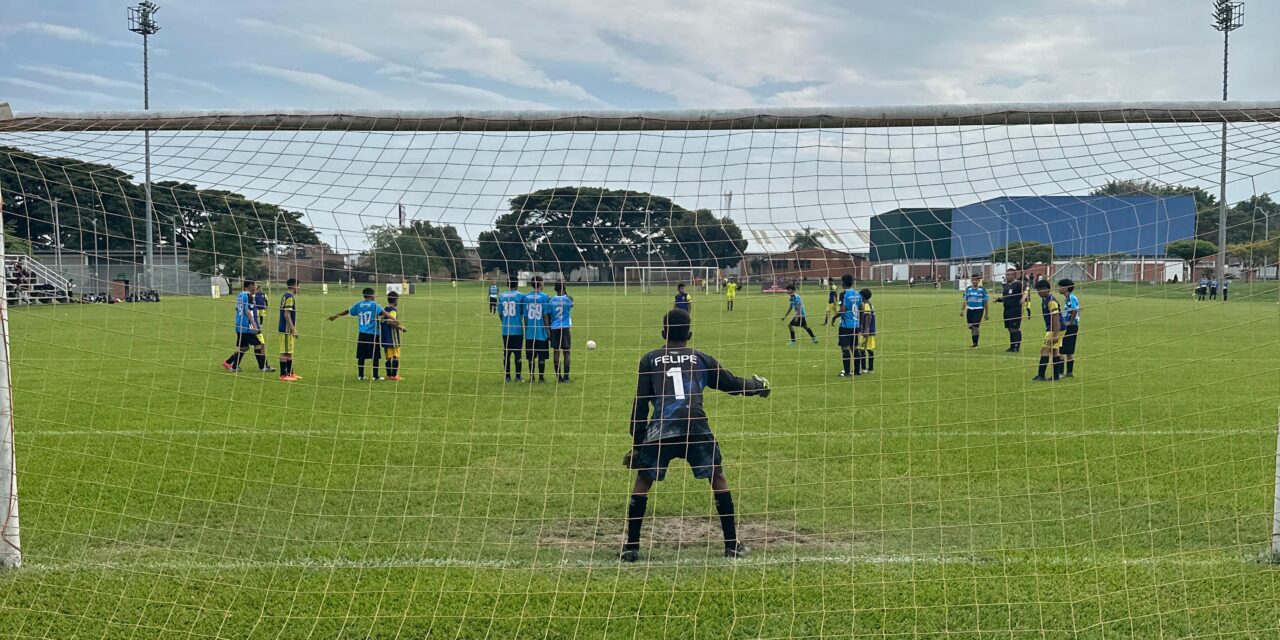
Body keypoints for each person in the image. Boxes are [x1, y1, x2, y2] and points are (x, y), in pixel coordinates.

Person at [619, 308, 771, 563]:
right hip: (695, 427)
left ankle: (631, 547)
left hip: (661, 429)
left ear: (663, 332)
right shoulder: (700, 358)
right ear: (690, 334)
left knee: (643, 479)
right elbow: (731, 384)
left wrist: (638, 444)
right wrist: (758, 386)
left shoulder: (649, 359)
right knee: (717, 476)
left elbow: (641, 403)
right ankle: (732, 544)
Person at [327, 287, 389, 380]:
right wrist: (396, 320)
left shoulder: (359, 304)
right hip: (372, 334)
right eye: (374, 294)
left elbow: (348, 311)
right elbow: (385, 314)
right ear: (372, 295)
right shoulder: (374, 305)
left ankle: (360, 375)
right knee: (375, 355)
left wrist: (336, 316)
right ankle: (375, 376)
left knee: (361, 355)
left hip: (362, 333)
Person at [223, 280, 263, 373]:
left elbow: (237, 308)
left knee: (244, 347)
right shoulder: (247, 295)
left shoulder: (240, 295)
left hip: (239, 324)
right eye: (255, 285)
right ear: (250, 286)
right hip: (245, 326)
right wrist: (254, 324)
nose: (256, 287)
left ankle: (230, 364)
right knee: (258, 344)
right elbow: (247, 310)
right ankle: (262, 367)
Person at [1032, 280, 1063, 381]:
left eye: (1039, 291)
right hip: (1055, 328)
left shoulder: (1051, 301)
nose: (1038, 293)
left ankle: (1041, 375)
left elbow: (1056, 317)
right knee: (1055, 350)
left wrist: (1055, 334)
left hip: (1055, 328)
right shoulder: (1045, 299)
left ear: (1046, 289)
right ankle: (1056, 376)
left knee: (1044, 350)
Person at [523, 276, 552, 382]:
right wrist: (548, 330)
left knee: (531, 356)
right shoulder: (544, 297)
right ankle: (541, 377)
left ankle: (531, 377)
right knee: (541, 356)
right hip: (541, 331)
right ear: (540, 284)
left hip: (530, 332)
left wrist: (526, 329)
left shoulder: (526, 297)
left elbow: (525, 316)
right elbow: (545, 315)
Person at [497, 278, 525, 382]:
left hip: (506, 330)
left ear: (507, 284)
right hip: (517, 329)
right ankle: (518, 376)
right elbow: (523, 312)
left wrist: (504, 322)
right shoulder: (520, 296)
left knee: (506, 353)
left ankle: (507, 376)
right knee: (518, 353)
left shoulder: (502, 296)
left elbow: (500, 313)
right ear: (517, 284)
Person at [836, 274, 864, 377]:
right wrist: (860, 323)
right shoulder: (857, 294)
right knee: (855, 347)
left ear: (843, 283)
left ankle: (847, 372)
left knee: (845, 348)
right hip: (855, 325)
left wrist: (834, 317)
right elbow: (862, 309)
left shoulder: (843, 294)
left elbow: (842, 310)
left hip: (845, 325)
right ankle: (857, 371)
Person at [548, 282, 574, 382]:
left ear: (555, 289)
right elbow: (571, 305)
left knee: (556, 351)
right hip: (565, 327)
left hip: (554, 328)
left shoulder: (551, 300)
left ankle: (558, 377)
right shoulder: (569, 299)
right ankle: (566, 377)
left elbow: (549, 314)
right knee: (567, 352)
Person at [996, 268, 1024, 353]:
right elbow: (1006, 298)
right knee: (1010, 328)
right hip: (1007, 310)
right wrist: (999, 300)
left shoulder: (1018, 284)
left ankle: (1016, 347)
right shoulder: (1006, 286)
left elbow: (1026, 291)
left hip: (1015, 310)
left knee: (1015, 328)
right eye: (1006, 274)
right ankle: (1012, 346)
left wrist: (1023, 298)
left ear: (1014, 275)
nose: (1006, 276)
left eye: (1008, 275)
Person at [277, 278, 301, 381]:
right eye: (298, 286)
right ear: (294, 286)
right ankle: (283, 375)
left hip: (286, 329)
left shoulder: (286, 295)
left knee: (289, 351)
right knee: (284, 352)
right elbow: (287, 314)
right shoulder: (289, 297)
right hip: (285, 329)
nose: (299, 288)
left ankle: (290, 373)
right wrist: (293, 329)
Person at [381, 291, 407, 381]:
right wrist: (400, 327)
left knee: (388, 357)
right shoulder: (393, 310)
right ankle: (394, 376)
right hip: (392, 336)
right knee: (395, 356)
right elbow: (390, 321)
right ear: (395, 300)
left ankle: (389, 375)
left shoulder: (384, 309)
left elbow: (382, 320)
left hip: (385, 336)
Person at [1058, 278, 1080, 378]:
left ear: (1066, 288)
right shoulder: (1069, 298)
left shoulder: (1071, 297)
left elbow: (1075, 310)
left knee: (1062, 349)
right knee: (1069, 350)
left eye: (1060, 287)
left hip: (1070, 327)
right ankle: (1069, 372)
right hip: (1072, 326)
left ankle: (1061, 372)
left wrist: (1069, 322)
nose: (1058, 289)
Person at [961, 274, 989, 348]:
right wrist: (962, 310)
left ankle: (975, 344)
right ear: (971, 280)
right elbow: (965, 300)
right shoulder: (968, 289)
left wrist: (986, 313)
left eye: (976, 280)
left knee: (975, 326)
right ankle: (974, 342)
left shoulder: (982, 290)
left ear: (979, 281)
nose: (975, 281)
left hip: (979, 310)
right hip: (970, 310)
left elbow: (985, 302)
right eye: (973, 280)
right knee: (971, 327)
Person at [251, 286, 275, 372]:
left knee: (245, 347)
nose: (257, 289)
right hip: (252, 327)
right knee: (260, 345)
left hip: (254, 326)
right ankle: (264, 366)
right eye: (255, 286)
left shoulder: (253, 299)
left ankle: (265, 366)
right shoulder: (249, 298)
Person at [857, 288, 876, 373]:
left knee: (861, 348)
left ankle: (865, 368)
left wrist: (866, 329)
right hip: (869, 329)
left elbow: (869, 316)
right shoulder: (869, 304)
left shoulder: (866, 304)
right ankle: (869, 368)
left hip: (867, 330)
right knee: (868, 349)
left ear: (863, 296)